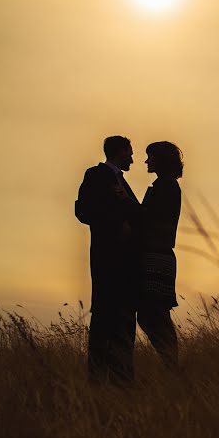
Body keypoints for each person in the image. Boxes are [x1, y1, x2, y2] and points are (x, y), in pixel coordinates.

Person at [75, 136, 141, 384]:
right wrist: (117, 224)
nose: (133, 159)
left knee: (124, 319)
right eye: (130, 153)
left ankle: (122, 379)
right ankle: (100, 378)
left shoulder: (123, 183)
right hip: (107, 261)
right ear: (119, 152)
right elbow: (82, 210)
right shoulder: (95, 175)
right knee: (105, 317)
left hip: (126, 264)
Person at [137, 141, 183, 370]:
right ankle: (171, 365)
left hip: (157, 256)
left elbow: (150, 218)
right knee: (152, 313)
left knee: (152, 313)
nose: (146, 161)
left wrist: (127, 204)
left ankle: (172, 366)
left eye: (150, 157)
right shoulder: (164, 185)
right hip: (157, 255)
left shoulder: (166, 186)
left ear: (161, 160)